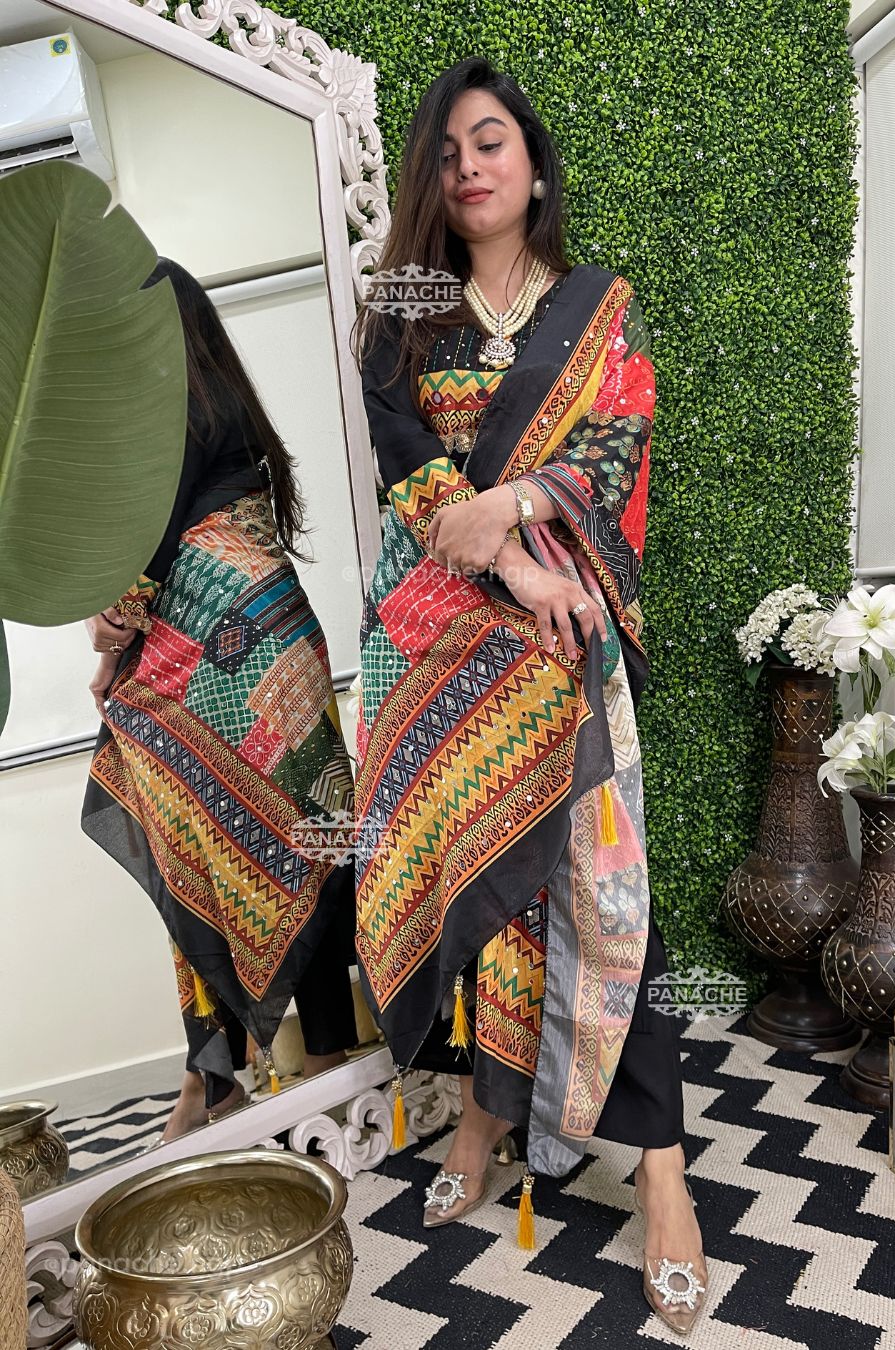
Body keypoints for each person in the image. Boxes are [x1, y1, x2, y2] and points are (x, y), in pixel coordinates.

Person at [351, 58, 708, 1334]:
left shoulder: (598, 307)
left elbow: (616, 447)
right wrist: (504, 550)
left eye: (491, 140)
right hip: (440, 642)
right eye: (447, 152)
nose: (470, 167)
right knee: (478, 881)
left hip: (564, 641)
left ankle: (662, 1176)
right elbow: (408, 464)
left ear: (534, 165)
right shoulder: (402, 316)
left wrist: (518, 505)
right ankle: (486, 1117)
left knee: (603, 892)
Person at [81, 257, 359, 1141]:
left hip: (222, 676)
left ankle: (219, 1074)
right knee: (306, 850)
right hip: (278, 654)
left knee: (201, 864)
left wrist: (111, 630)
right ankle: (307, 1058)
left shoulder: (177, 419)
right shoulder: (231, 412)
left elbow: (152, 553)